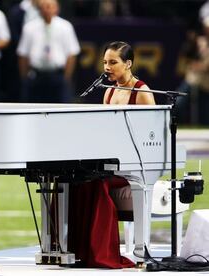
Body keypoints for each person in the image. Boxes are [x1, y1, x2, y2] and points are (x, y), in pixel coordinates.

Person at [68, 41, 154, 269]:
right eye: (105, 62)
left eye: (113, 62)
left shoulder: (142, 93)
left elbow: (153, 140)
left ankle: (102, 254)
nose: (107, 67)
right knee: (80, 180)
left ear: (128, 64)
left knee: (97, 183)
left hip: (135, 166)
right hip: (110, 163)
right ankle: (83, 253)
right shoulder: (109, 92)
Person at [17, 0, 80, 103]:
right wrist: (25, 78)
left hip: (57, 76)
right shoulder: (29, 27)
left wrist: (66, 78)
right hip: (36, 76)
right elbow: (23, 54)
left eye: (50, 6)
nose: (47, 10)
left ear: (57, 9)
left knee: (60, 110)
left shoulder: (65, 26)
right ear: (39, 10)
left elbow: (72, 53)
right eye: (44, 7)